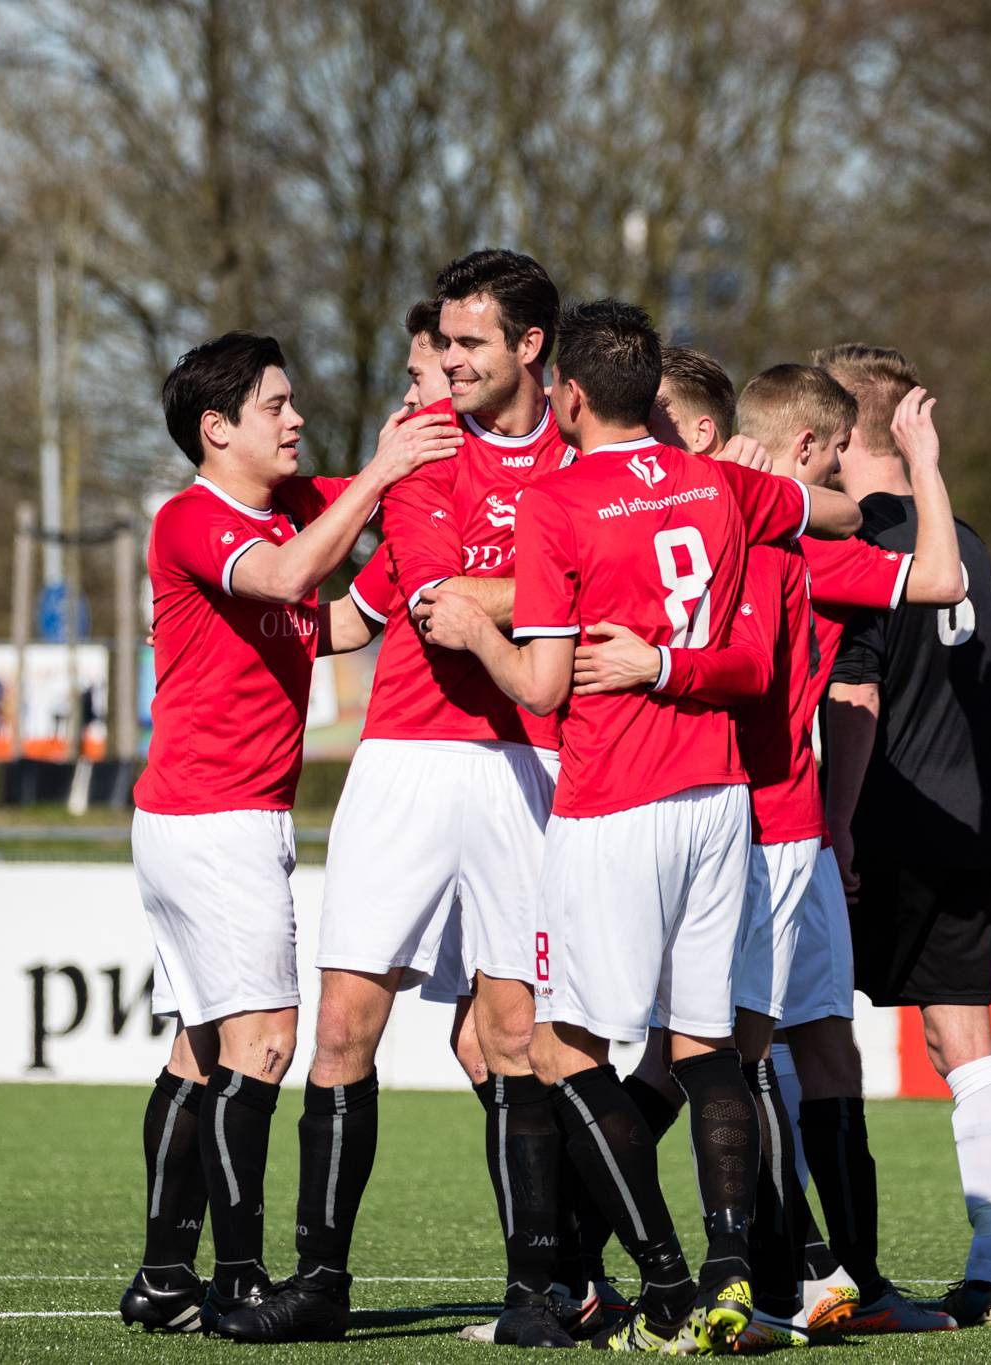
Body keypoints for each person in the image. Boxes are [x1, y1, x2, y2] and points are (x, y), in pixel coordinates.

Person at [419, 298, 863, 1352]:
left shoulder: (556, 501)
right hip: (718, 800)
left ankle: (663, 1284)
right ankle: (729, 1278)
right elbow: (840, 516)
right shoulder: (719, 484)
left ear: (569, 396)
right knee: (706, 1048)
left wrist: (473, 628)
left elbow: (540, 685)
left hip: (612, 798)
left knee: (561, 1051)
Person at [224, 250, 602, 1348]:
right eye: (445, 343)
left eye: (469, 342)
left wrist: (536, 595)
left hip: (532, 764)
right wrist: (568, 589)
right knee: (345, 1022)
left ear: (531, 346)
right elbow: (432, 600)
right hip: (405, 759)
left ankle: (538, 1288)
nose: (449, 361)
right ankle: (320, 1283)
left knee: (514, 1034)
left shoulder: (586, 457)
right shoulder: (425, 448)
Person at [573, 360, 967, 1341]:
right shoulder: (750, 539)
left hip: (783, 829)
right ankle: (754, 1274)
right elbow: (936, 575)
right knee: (709, 1059)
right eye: (830, 457)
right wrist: (918, 464)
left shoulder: (765, 532)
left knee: (797, 1049)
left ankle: (839, 1277)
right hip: (749, 829)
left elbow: (916, 573)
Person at [120, 332, 459, 1337]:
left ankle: (164, 1276)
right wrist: (382, 474)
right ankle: (237, 1279)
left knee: (201, 1049)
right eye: (275, 404)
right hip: (213, 817)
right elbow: (282, 579)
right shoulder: (192, 517)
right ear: (215, 428)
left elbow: (334, 619)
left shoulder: (297, 505)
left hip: (207, 814)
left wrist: (411, 544)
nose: (296, 418)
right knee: (265, 1043)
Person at [819, 343, 991, 1329]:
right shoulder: (967, 543)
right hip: (966, 823)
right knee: (963, 1044)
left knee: (810, 1038)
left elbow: (854, 695)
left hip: (874, 826)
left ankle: (825, 1262)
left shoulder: (858, 538)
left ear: (843, 431)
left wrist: (834, 827)